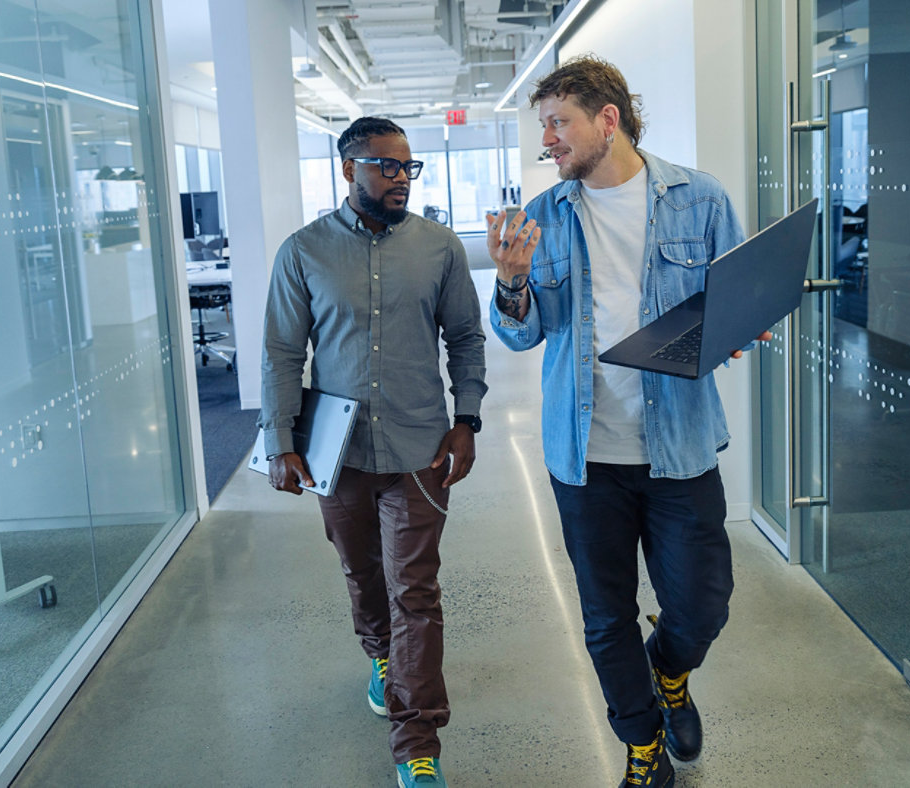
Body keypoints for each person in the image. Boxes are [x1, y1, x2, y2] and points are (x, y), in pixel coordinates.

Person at [486, 56, 769, 788]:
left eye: (558, 123)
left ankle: (670, 671)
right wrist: (512, 283)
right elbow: (521, 336)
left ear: (606, 120)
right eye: (542, 124)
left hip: (678, 445)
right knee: (606, 617)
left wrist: (739, 325)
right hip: (585, 456)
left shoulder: (700, 201)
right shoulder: (541, 218)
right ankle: (643, 746)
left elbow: (730, 299)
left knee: (703, 605)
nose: (547, 139)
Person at [260, 116, 486, 788]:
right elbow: (282, 352)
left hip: (419, 448)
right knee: (363, 576)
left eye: (408, 167)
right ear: (347, 169)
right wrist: (280, 442)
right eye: (385, 166)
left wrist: (467, 417)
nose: (400, 179)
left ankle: (416, 741)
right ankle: (379, 653)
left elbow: (467, 339)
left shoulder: (440, 249)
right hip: (340, 456)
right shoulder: (303, 252)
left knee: (415, 590)